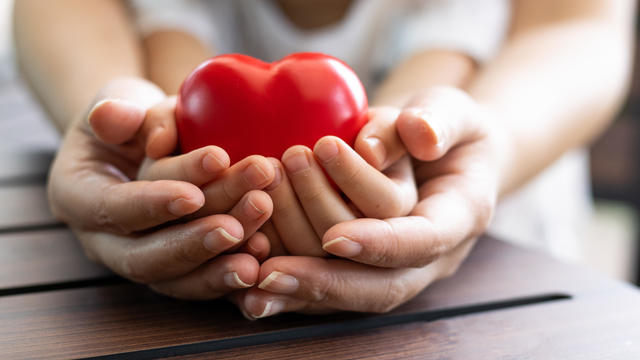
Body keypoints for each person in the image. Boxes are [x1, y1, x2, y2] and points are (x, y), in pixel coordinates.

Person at [13, 0, 634, 319]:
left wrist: (467, 143)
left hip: (501, 267)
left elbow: (575, 23)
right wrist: (119, 119)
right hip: (156, 284)